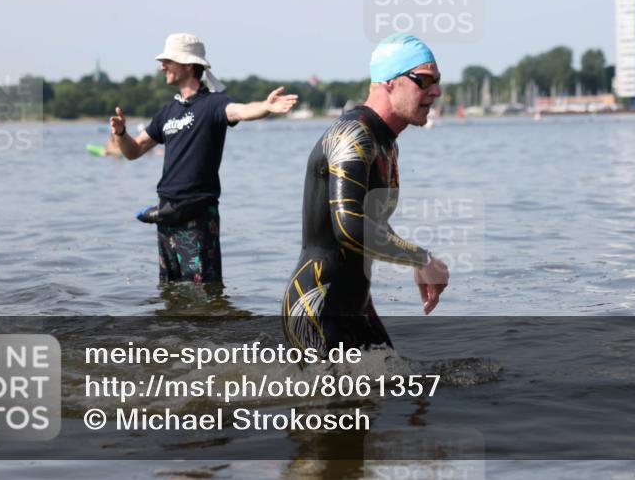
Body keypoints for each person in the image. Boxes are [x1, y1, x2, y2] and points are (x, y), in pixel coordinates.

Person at [282, 33, 450, 353]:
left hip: (356, 306)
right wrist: (420, 257)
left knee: (398, 390)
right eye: (424, 79)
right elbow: (349, 227)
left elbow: (374, 223)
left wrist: (415, 260)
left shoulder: (385, 142)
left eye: (438, 81)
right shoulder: (352, 135)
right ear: (389, 82)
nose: (436, 91)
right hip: (318, 308)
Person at [110, 33, 298, 284]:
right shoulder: (167, 112)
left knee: (204, 294)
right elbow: (133, 152)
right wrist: (122, 133)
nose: (161, 65)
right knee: (169, 290)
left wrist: (266, 106)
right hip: (166, 215)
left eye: (168, 60)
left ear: (188, 65)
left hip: (197, 216)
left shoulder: (214, 104)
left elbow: (241, 110)